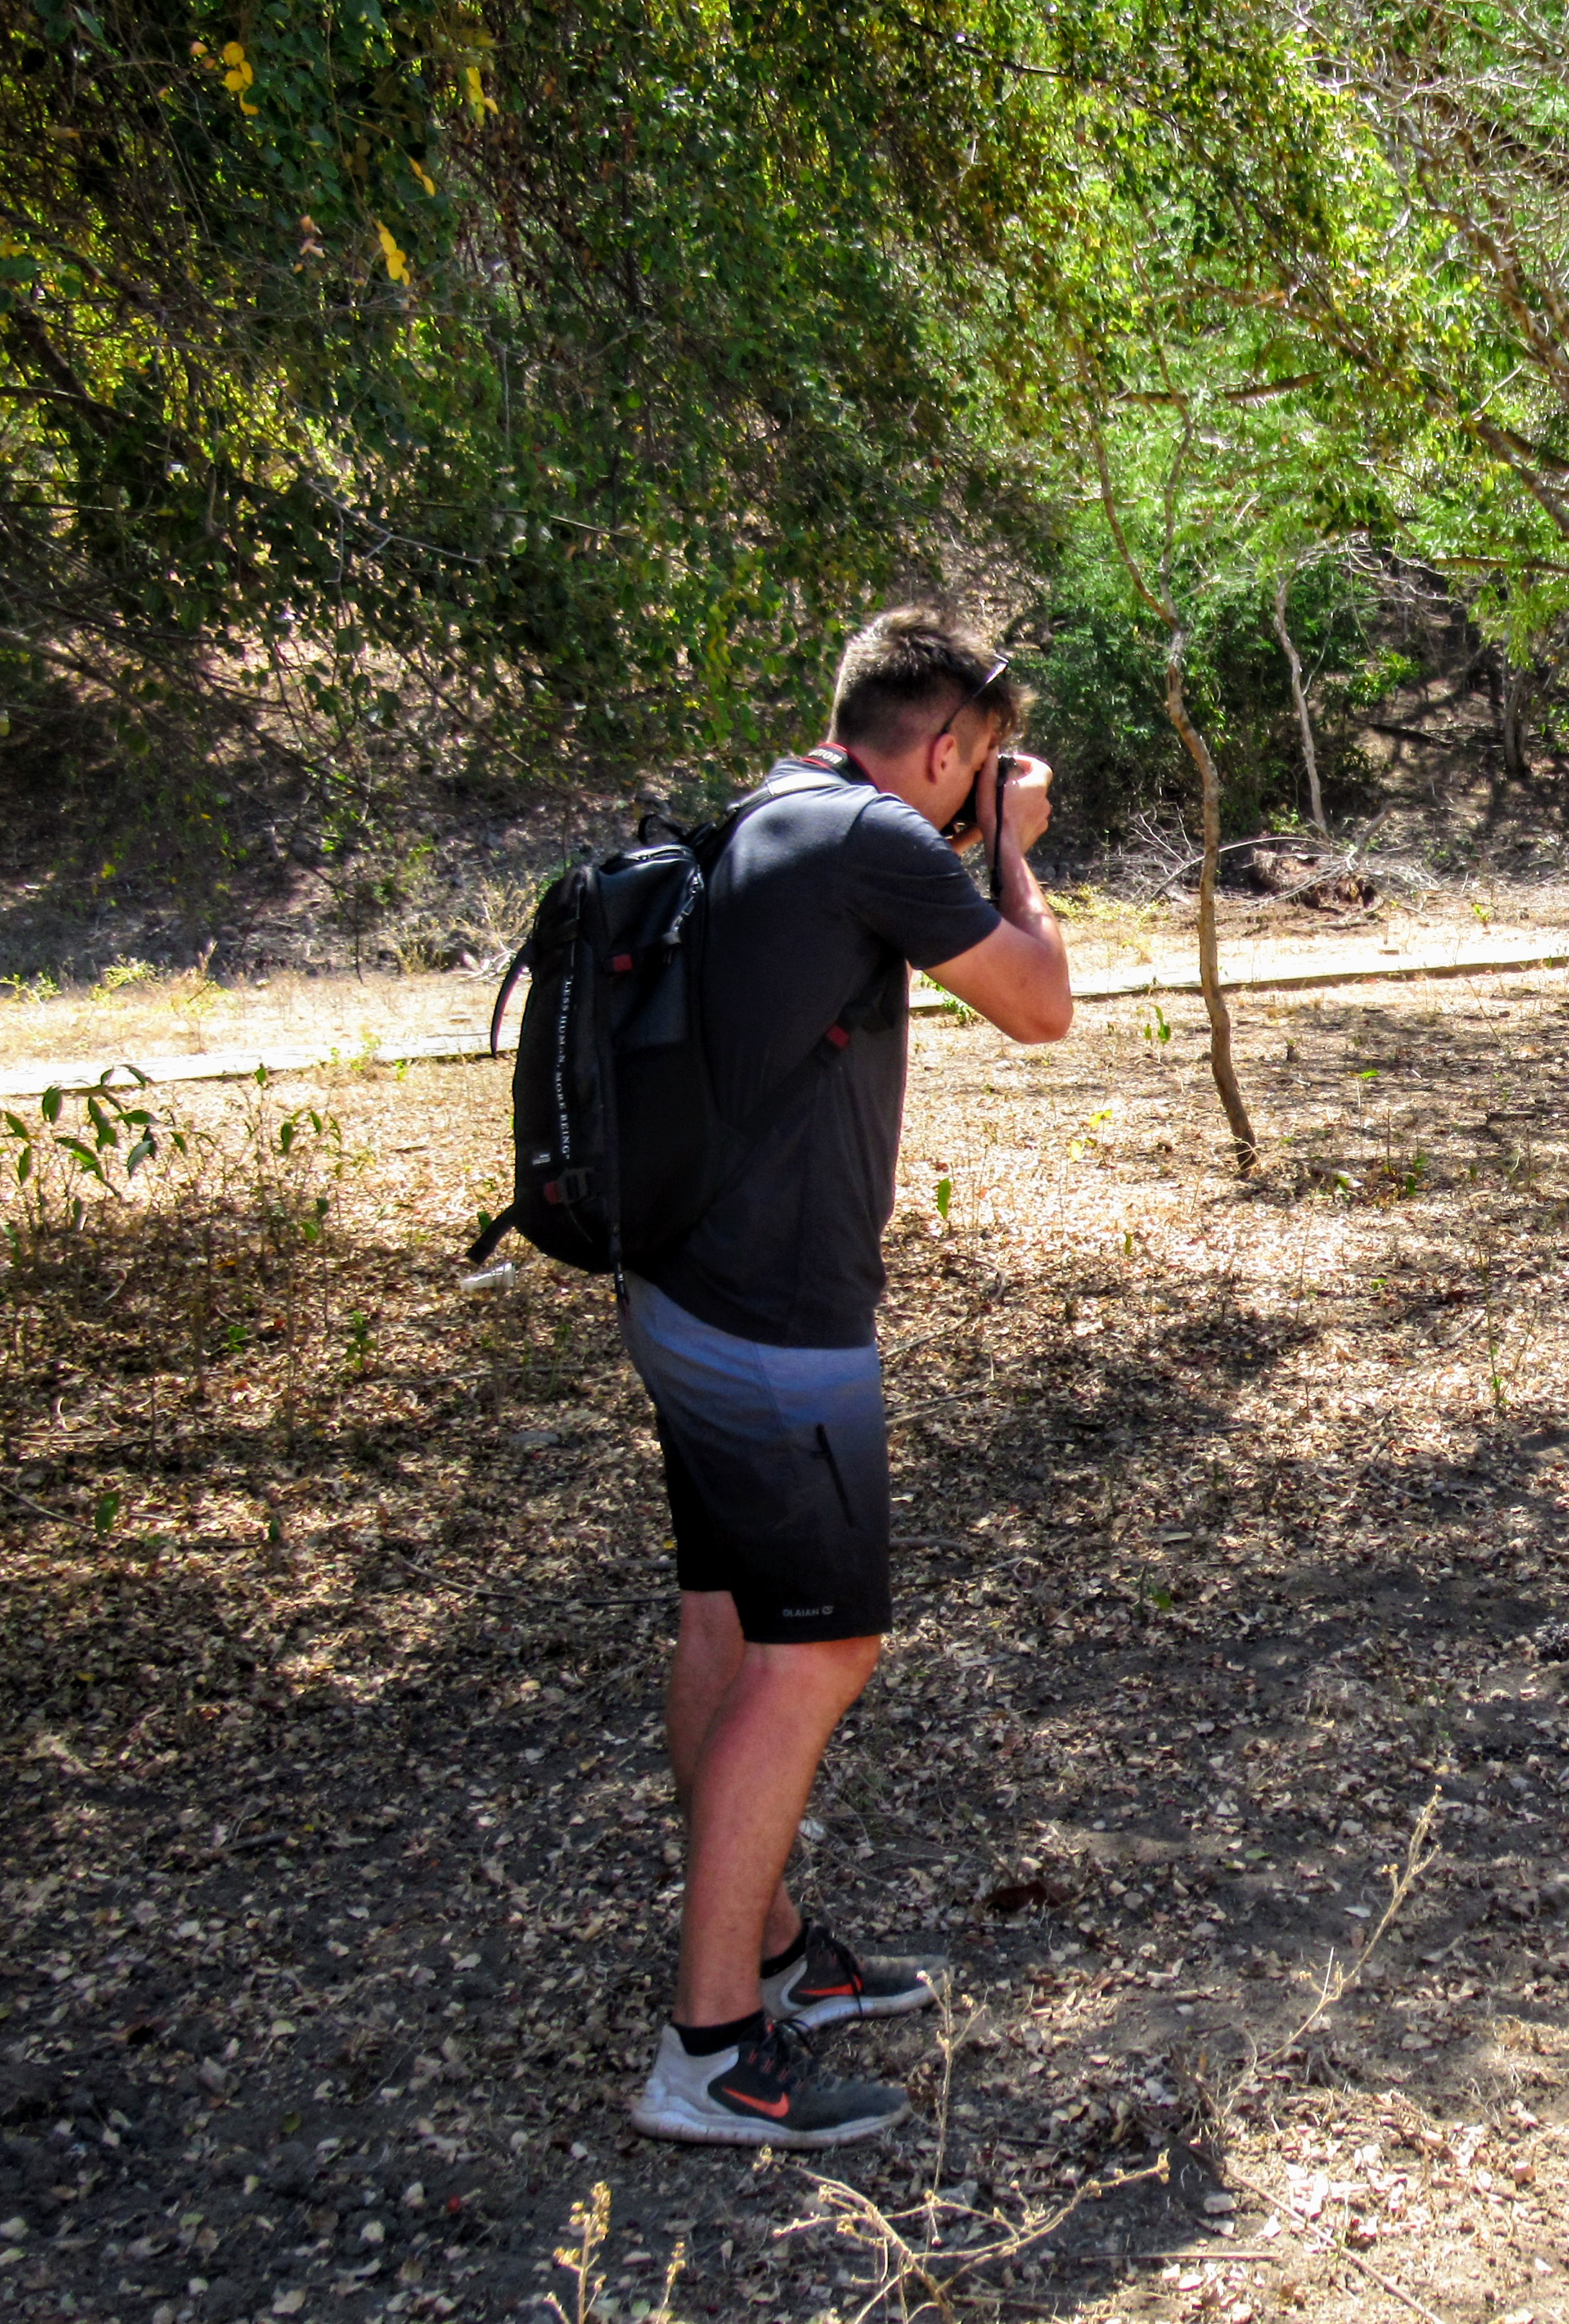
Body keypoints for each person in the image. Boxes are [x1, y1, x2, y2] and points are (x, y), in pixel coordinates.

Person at [624, 611, 1072, 2147]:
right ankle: (711, 2046)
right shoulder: (879, 834)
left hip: (684, 1290)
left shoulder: (768, 806)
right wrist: (1005, 849)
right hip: (775, 1324)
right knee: (818, 1654)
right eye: (978, 764)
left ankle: (769, 1952)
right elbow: (1039, 1000)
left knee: (725, 1622)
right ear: (947, 748)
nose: (977, 788)